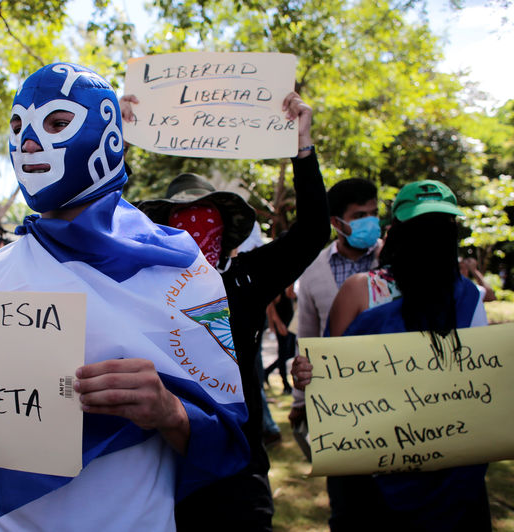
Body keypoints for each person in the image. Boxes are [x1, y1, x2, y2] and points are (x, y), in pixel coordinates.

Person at [0, 62, 251, 530]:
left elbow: (230, 440)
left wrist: (170, 411)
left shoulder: (185, 271)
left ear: (107, 135)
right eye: (18, 126)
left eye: (57, 123)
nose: (29, 142)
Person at [132, 93, 330, 530]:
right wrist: (119, 146)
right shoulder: (138, 283)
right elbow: (93, 229)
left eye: (204, 216)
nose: (194, 228)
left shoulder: (247, 277)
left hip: (238, 470)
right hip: (159, 467)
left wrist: (302, 146)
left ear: (224, 226)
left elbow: (314, 230)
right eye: (179, 219)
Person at [292, 179, 491, 531]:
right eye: (420, 225)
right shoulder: (360, 291)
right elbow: (329, 376)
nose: (431, 235)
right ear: (399, 230)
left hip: (452, 479)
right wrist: (306, 376)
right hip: (368, 475)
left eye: (441, 226)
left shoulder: (471, 299)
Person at [289, 177, 380, 458]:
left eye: (374, 214)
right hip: (339, 400)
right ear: (337, 223)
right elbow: (306, 337)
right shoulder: (314, 270)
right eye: (360, 216)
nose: (371, 222)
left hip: (391, 389)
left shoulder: (393, 260)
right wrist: (300, 398)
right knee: (347, 484)